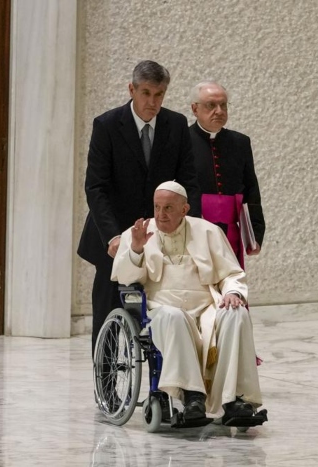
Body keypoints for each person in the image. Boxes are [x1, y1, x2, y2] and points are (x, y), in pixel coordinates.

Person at [111, 181, 265, 425]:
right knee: (174, 317)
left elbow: (232, 274)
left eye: (169, 208)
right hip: (161, 308)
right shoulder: (138, 233)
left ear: (185, 209)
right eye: (157, 207)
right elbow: (126, 280)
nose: (161, 215)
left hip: (207, 308)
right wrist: (137, 250)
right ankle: (193, 397)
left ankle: (234, 399)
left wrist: (233, 293)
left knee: (237, 314)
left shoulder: (208, 231)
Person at [78, 60, 201, 358]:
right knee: (109, 307)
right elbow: (96, 187)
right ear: (131, 89)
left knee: (165, 307)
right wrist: (113, 237)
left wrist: (178, 225)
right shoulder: (106, 125)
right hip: (114, 236)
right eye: (146, 93)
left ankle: (165, 382)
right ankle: (106, 381)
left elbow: (187, 183)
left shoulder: (175, 126)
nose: (153, 102)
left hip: (162, 233)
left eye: (159, 94)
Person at [189, 81, 265, 267]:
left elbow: (251, 189)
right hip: (193, 230)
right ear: (194, 109)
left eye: (223, 105)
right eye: (211, 105)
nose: (219, 111)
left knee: (231, 288)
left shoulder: (240, 142)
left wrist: (255, 234)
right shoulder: (182, 141)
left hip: (231, 232)